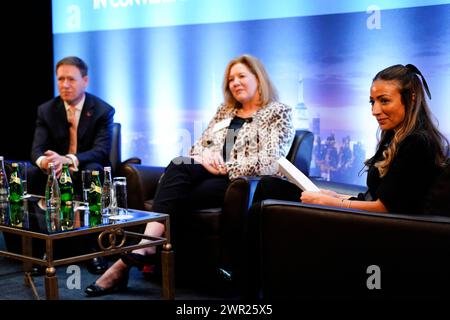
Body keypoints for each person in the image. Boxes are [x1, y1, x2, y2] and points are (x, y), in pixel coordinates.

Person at [85, 54, 295, 296]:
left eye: (241, 76)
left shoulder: (278, 112)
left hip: (241, 185)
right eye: (230, 79)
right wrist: (205, 159)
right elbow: (198, 148)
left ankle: (133, 255)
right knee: (180, 162)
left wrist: (225, 167)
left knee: (174, 194)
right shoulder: (225, 111)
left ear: (258, 78)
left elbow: (270, 161)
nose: (234, 83)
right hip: (209, 175)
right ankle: (145, 248)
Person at [252, 64, 449, 215]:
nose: (375, 111)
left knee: (270, 189)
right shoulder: (394, 136)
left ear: (411, 98)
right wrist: (336, 196)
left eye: (384, 101)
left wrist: (334, 203)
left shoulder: (418, 143)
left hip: (378, 227)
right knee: (271, 186)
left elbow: (385, 208)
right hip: (364, 215)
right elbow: (374, 197)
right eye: (373, 102)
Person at [21, 56, 114, 274]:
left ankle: (93, 249)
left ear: (85, 80)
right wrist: (48, 162)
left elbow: (101, 150)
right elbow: (36, 149)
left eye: (70, 79)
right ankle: (41, 251)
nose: (64, 85)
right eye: (60, 79)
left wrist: (68, 159)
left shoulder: (102, 110)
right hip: (56, 171)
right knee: (33, 173)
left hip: (85, 167)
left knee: (94, 171)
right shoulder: (46, 110)